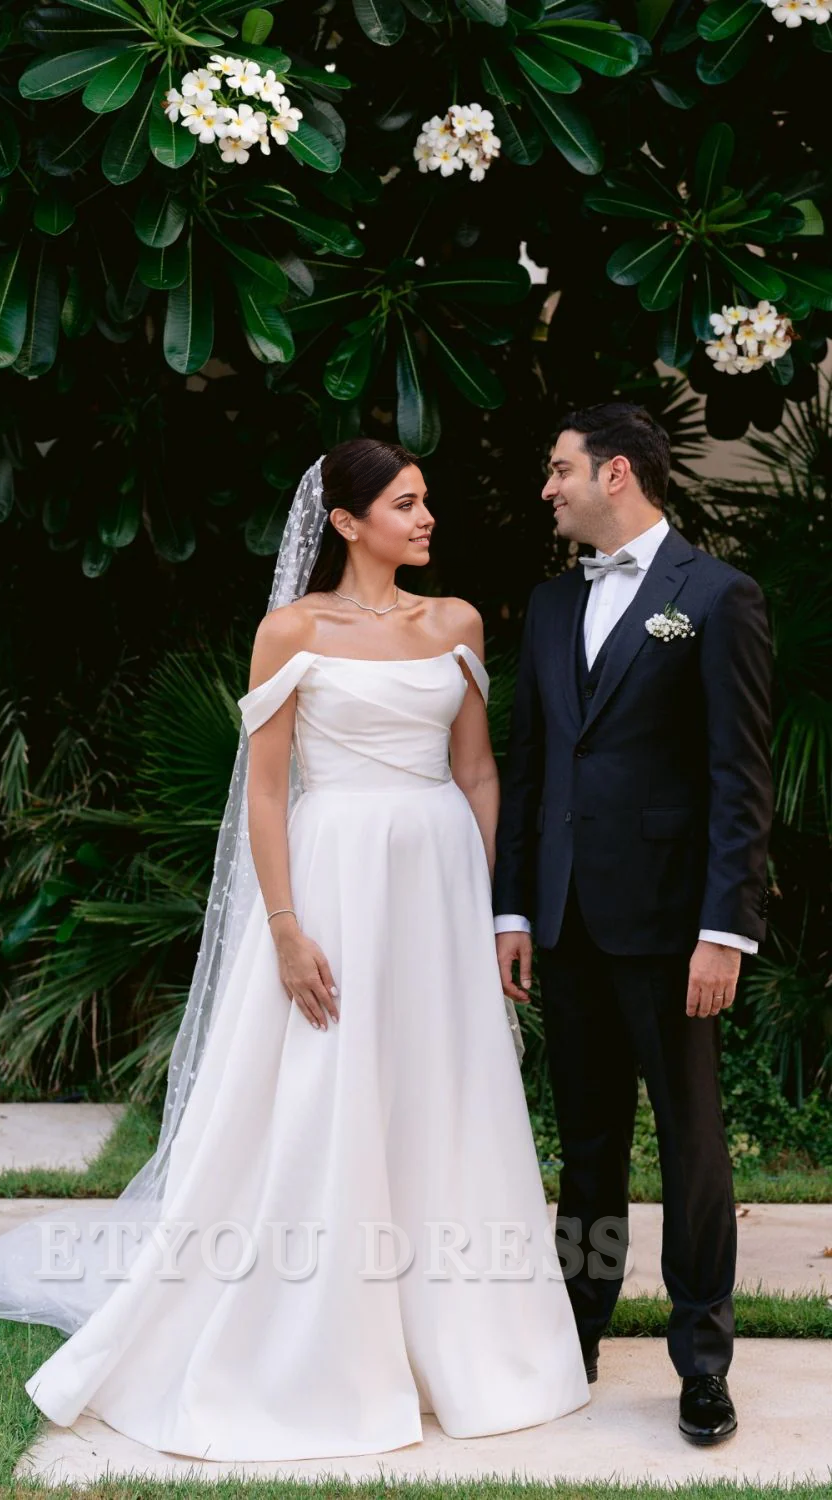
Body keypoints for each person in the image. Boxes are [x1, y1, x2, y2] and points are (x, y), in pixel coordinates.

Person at [0, 438, 590, 1461]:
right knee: (325, 1093)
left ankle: (461, 1340)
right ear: (345, 523)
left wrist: (487, 901)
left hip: (436, 888)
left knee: (440, 1091)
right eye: (406, 504)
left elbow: (477, 773)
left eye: (426, 503)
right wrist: (285, 928)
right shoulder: (289, 632)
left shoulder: (455, 624)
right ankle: (317, 1342)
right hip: (332, 881)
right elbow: (271, 792)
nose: (426, 520)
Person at [493, 403, 773, 1448]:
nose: (546, 487)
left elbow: (737, 780)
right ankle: (576, 1333)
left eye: (558, 469)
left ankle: (702, 1362)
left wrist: (723, 929)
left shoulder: (715, 597)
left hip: (668, 928)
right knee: (590, 1146)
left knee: (693, 1142)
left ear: (615, 474)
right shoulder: (549, 604)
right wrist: (514, 907)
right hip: (562, 922)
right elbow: (531, 768)